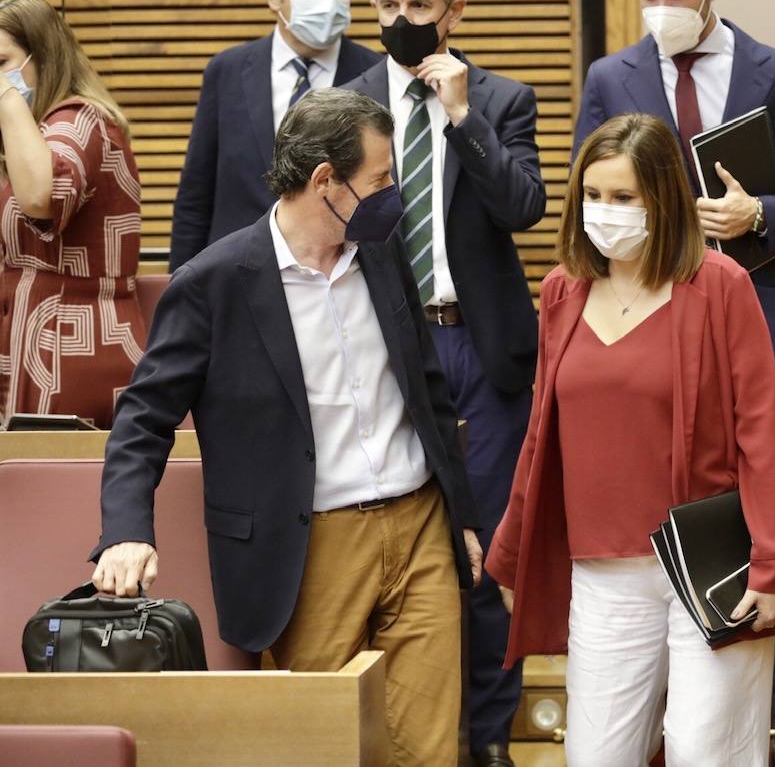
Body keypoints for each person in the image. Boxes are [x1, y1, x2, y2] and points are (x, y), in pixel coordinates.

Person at [90, 89, 482, 765]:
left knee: (429, 749)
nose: (394, 194)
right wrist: (126, 529)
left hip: (419, 528)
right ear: (324, 180)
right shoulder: (214, 282)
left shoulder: (383, 254)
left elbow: (429, 390)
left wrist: (462, 517)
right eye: (381, 180)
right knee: (323, 747)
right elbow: (143, 418)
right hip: (310, 548)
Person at [571, 0, 775, 760]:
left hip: (756, 314)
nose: (662, 9)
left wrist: (761, 213)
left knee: (770, 513)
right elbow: (595, 199)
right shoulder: (611, 75)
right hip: (650, 328)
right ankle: (667, 703)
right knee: (668, 519)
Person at [486, 112, 775, 767]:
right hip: (604, 569)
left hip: (714, 564)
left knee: (706, 753)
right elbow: (541, 435)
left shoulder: (721, 286)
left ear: (662, 198)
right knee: (596, 756)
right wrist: (514, 548)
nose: (603, 211)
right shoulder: (563, 291)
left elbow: (762, 429)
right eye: (593, 195)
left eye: (623, 198)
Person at [341, 0, 546, 767]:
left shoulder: (500, 99)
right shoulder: (348, 105)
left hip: (482, 348)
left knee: (492, 550)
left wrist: (461, 118)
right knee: (411, 543)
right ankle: (412, 730)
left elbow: (524, 207)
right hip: (390, 350)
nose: (400, 21)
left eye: (418, 8)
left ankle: (490, 734)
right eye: (387, 7)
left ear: (454, 14)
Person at [168, 0, 381, 270]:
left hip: (341, 275)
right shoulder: (228, 71)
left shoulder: (375, 72)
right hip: (236, 273)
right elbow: (196, 194)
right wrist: (180, 288)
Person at [0, 0, 145, 427]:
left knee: (55, 487)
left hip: (67, 345)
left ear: (41, 57)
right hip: (27, 338)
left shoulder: (81, 119)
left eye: (2, 61)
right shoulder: (27, 131)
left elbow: (42, 198)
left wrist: (7, 98)